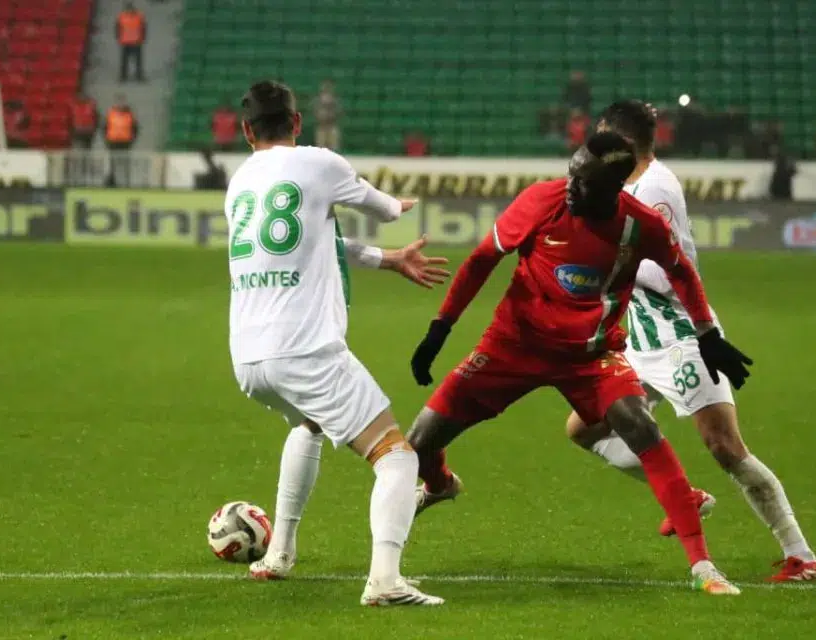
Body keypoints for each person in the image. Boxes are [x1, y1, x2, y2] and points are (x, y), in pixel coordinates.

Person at [406, 131, 754, 595]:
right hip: (513, 346)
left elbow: (681, 272)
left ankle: (703, 567)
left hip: (591, 355)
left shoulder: (641, 225)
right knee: (418, 443)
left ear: (612, 189)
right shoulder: (541, 201)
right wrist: (441, 328)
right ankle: (440, 484)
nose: (570, 186)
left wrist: (706, 333)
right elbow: (482, 260)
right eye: (571, 174)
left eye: (583, 182)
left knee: (640, 425)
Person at [561, 101, 816, 582]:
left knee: (725, 446)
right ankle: (683, 496)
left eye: (602, 137)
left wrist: (604, 265)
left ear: (622, 143)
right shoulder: (624, 186)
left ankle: (801, 555)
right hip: (639, 341)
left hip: (683, 337)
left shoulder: (656, 188)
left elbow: (665, 273)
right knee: (584, 428)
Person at [228, 80, 449, 607]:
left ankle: (279, 553)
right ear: (297, 122)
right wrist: (396, 204)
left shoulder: (239, 183)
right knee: (396, 456)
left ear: (246, 132)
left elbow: (312, 238)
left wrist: (385, 260)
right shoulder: (319, 162)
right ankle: (385, 581)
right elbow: (389, 211)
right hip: (304, 348)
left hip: (249, 357)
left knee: (309, 422)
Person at [104, 96, 137, 187]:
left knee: (125, 163)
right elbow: (104, 127)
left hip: (125, 143)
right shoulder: (110, 113)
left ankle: (125, 182)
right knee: (112, 164)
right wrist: (107, 139)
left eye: (122, 102)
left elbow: (135, 128)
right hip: (113, 142)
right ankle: (111, 182)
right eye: (118, 102)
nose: (120, 104)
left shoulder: (130, 114)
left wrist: (131, 140)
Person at [116, 2, 146, 83]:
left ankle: (139, 76)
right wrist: (118, 38)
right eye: (128, 9)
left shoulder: (139, 16)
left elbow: (143, 28)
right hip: (125, 42)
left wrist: (142, 38)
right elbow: (117, 28)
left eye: (130, 9)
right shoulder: (121, 17)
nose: (129, 11)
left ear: (133, 9)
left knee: (138, 61)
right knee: (124, 61)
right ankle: (123, 76)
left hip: (136, 41)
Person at [311, 79, 341, 150]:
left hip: (332, 126)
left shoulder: (335, 100)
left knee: (333, 147)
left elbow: (339, 111)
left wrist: (331, 114)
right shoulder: (317, 100)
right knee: (321, 147)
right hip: (321, 126)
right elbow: (315, 111)